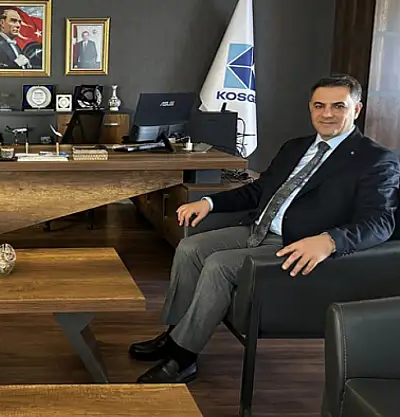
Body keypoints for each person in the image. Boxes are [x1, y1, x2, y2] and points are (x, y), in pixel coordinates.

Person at [129, 74, 400, 384]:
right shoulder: (295, 147)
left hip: (296, 244)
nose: (327, 114)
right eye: (319, 105)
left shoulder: (376, 160)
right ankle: (175, 333)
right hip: (260, 229)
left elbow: (380, 222)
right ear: (310, 108)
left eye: (338, 106)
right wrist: (210, 203)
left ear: (357, 109)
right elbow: (259, 191)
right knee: (190, 248)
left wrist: (329, 241)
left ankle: (183, 357)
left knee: (219, 265)